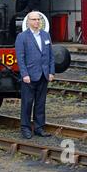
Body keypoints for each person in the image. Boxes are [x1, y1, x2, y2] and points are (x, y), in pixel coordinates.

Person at [15, 11, 55, 139]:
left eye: (38, 19)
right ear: (28, 22)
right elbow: (20, 58)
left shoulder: (46, 35)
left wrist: (51, 71)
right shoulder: (22, 37)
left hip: (43, 75)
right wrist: (24, 74)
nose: (37, 22)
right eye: (34, 19)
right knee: (27, 103)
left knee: (40, 103)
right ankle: (25, 128)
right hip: (29, 76)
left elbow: (51, 55)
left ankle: (39, 127)